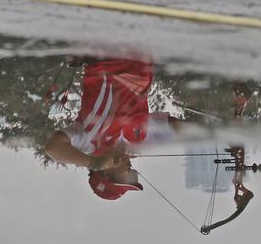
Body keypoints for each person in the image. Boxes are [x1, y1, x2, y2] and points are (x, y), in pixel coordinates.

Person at [44, 59, 180, 201]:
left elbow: (53, 148)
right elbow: (177, 127)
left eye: (128, 177)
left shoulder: (87, 143)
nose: (131, 169)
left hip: (107, 56)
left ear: (107, 174)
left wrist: (95, 163)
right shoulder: (137, 141)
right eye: (133, 175)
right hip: (142, 57)